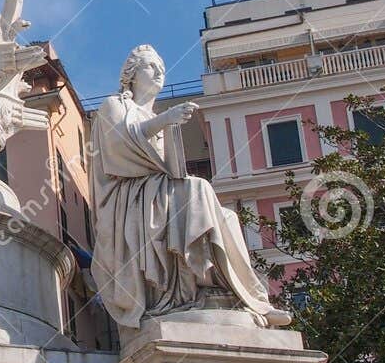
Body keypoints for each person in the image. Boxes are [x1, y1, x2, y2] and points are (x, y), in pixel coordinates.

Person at [89, 44, 293, 332]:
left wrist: (167, 131)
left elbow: (166, 165)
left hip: (159, 189)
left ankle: (245, 298)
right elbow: (118, 149)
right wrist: (164, 121)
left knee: (227, 217)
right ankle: (189, 287)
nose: (159, 72)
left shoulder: (158, 117)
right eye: (150, 66)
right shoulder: (114, 106)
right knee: (198, 189)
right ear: (131, 75)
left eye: (162, 67)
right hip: (128, 194)